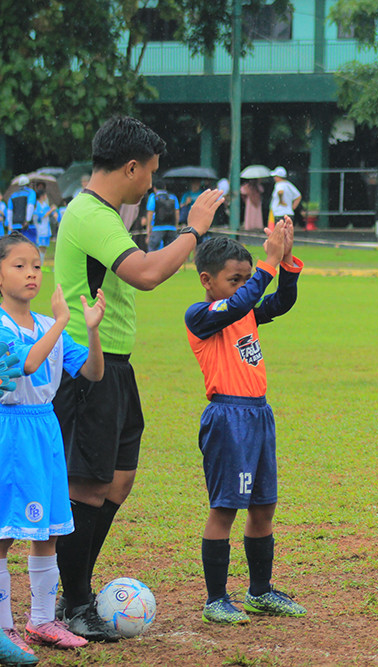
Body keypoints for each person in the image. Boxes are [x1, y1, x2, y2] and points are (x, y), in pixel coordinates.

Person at [52, 115, 222, 641]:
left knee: (118, 481)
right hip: (86, 365)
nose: (152, 182)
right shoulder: (89, 213)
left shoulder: (103, 212)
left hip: (115, 365)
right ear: (130, 167)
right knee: (88, 485)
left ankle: (72, 588)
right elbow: (147, 274)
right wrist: (194, 229)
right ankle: (75, 601)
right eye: (150, 171)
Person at [184, 219, 306, 623]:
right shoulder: (200, 315)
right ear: (206, 279)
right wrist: (267, 266)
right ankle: (216, 598)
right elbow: (238, 304)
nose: (243, 287)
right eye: (234, 279)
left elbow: (281, 302)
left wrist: (285, 264)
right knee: (225, 508)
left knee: (263, 507)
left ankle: (260, 592)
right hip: (227, 417)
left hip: (258, 414)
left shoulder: (243, 311)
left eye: (246, 279)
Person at [0, 233, 106, 657]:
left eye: (37, 266)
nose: (31, 273)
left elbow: (93, 373)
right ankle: (4, 629)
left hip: (45, 430)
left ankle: (42, 621)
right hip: (9, 431)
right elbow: (26, 363)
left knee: (47, 531)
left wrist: (92, 331)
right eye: (19, 265)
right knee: (5, 532)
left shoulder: (48, 325)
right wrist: (63, 322)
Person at [144, 179, 180, 251]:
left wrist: (148, 228)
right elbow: (177, 212)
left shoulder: (153, 197)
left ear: (154, 188)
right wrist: (176, 225)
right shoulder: (173, 197)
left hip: (157, 227)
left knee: (153, 250)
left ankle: (153, 262)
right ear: (165, 187)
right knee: (171, 251)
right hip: (171, 227)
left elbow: (150, 213)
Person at [269, 167, 301, 231]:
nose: (274, 178)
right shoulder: (289, 185)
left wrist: (281, 201)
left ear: (278, 177)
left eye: (275, 176)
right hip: (289, 213)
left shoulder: (279, 184)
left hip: (279, 213)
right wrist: (292, 207)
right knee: (287, 233)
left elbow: (280, 191)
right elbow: (298, 196)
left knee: (280, 234)